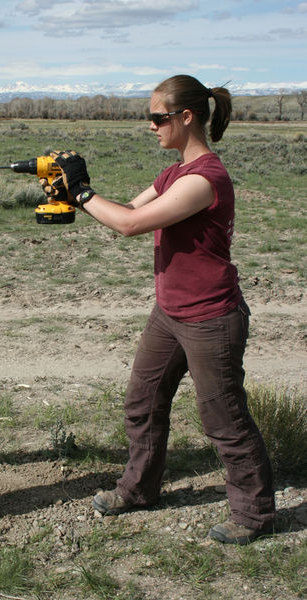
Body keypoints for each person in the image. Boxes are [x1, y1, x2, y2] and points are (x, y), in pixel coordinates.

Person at [41, 74, 275, 545]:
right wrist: (76, 193)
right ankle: (139, 489)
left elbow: (128, 225)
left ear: (186, 117)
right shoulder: (172, 174)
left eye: (157, 117)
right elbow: (128, 207)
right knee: (143, 402)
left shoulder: (205, 180)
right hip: (170, 312)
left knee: (223, 418)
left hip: (211, 317)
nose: (151, 126)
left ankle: (254, 514)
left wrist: (82, 191)